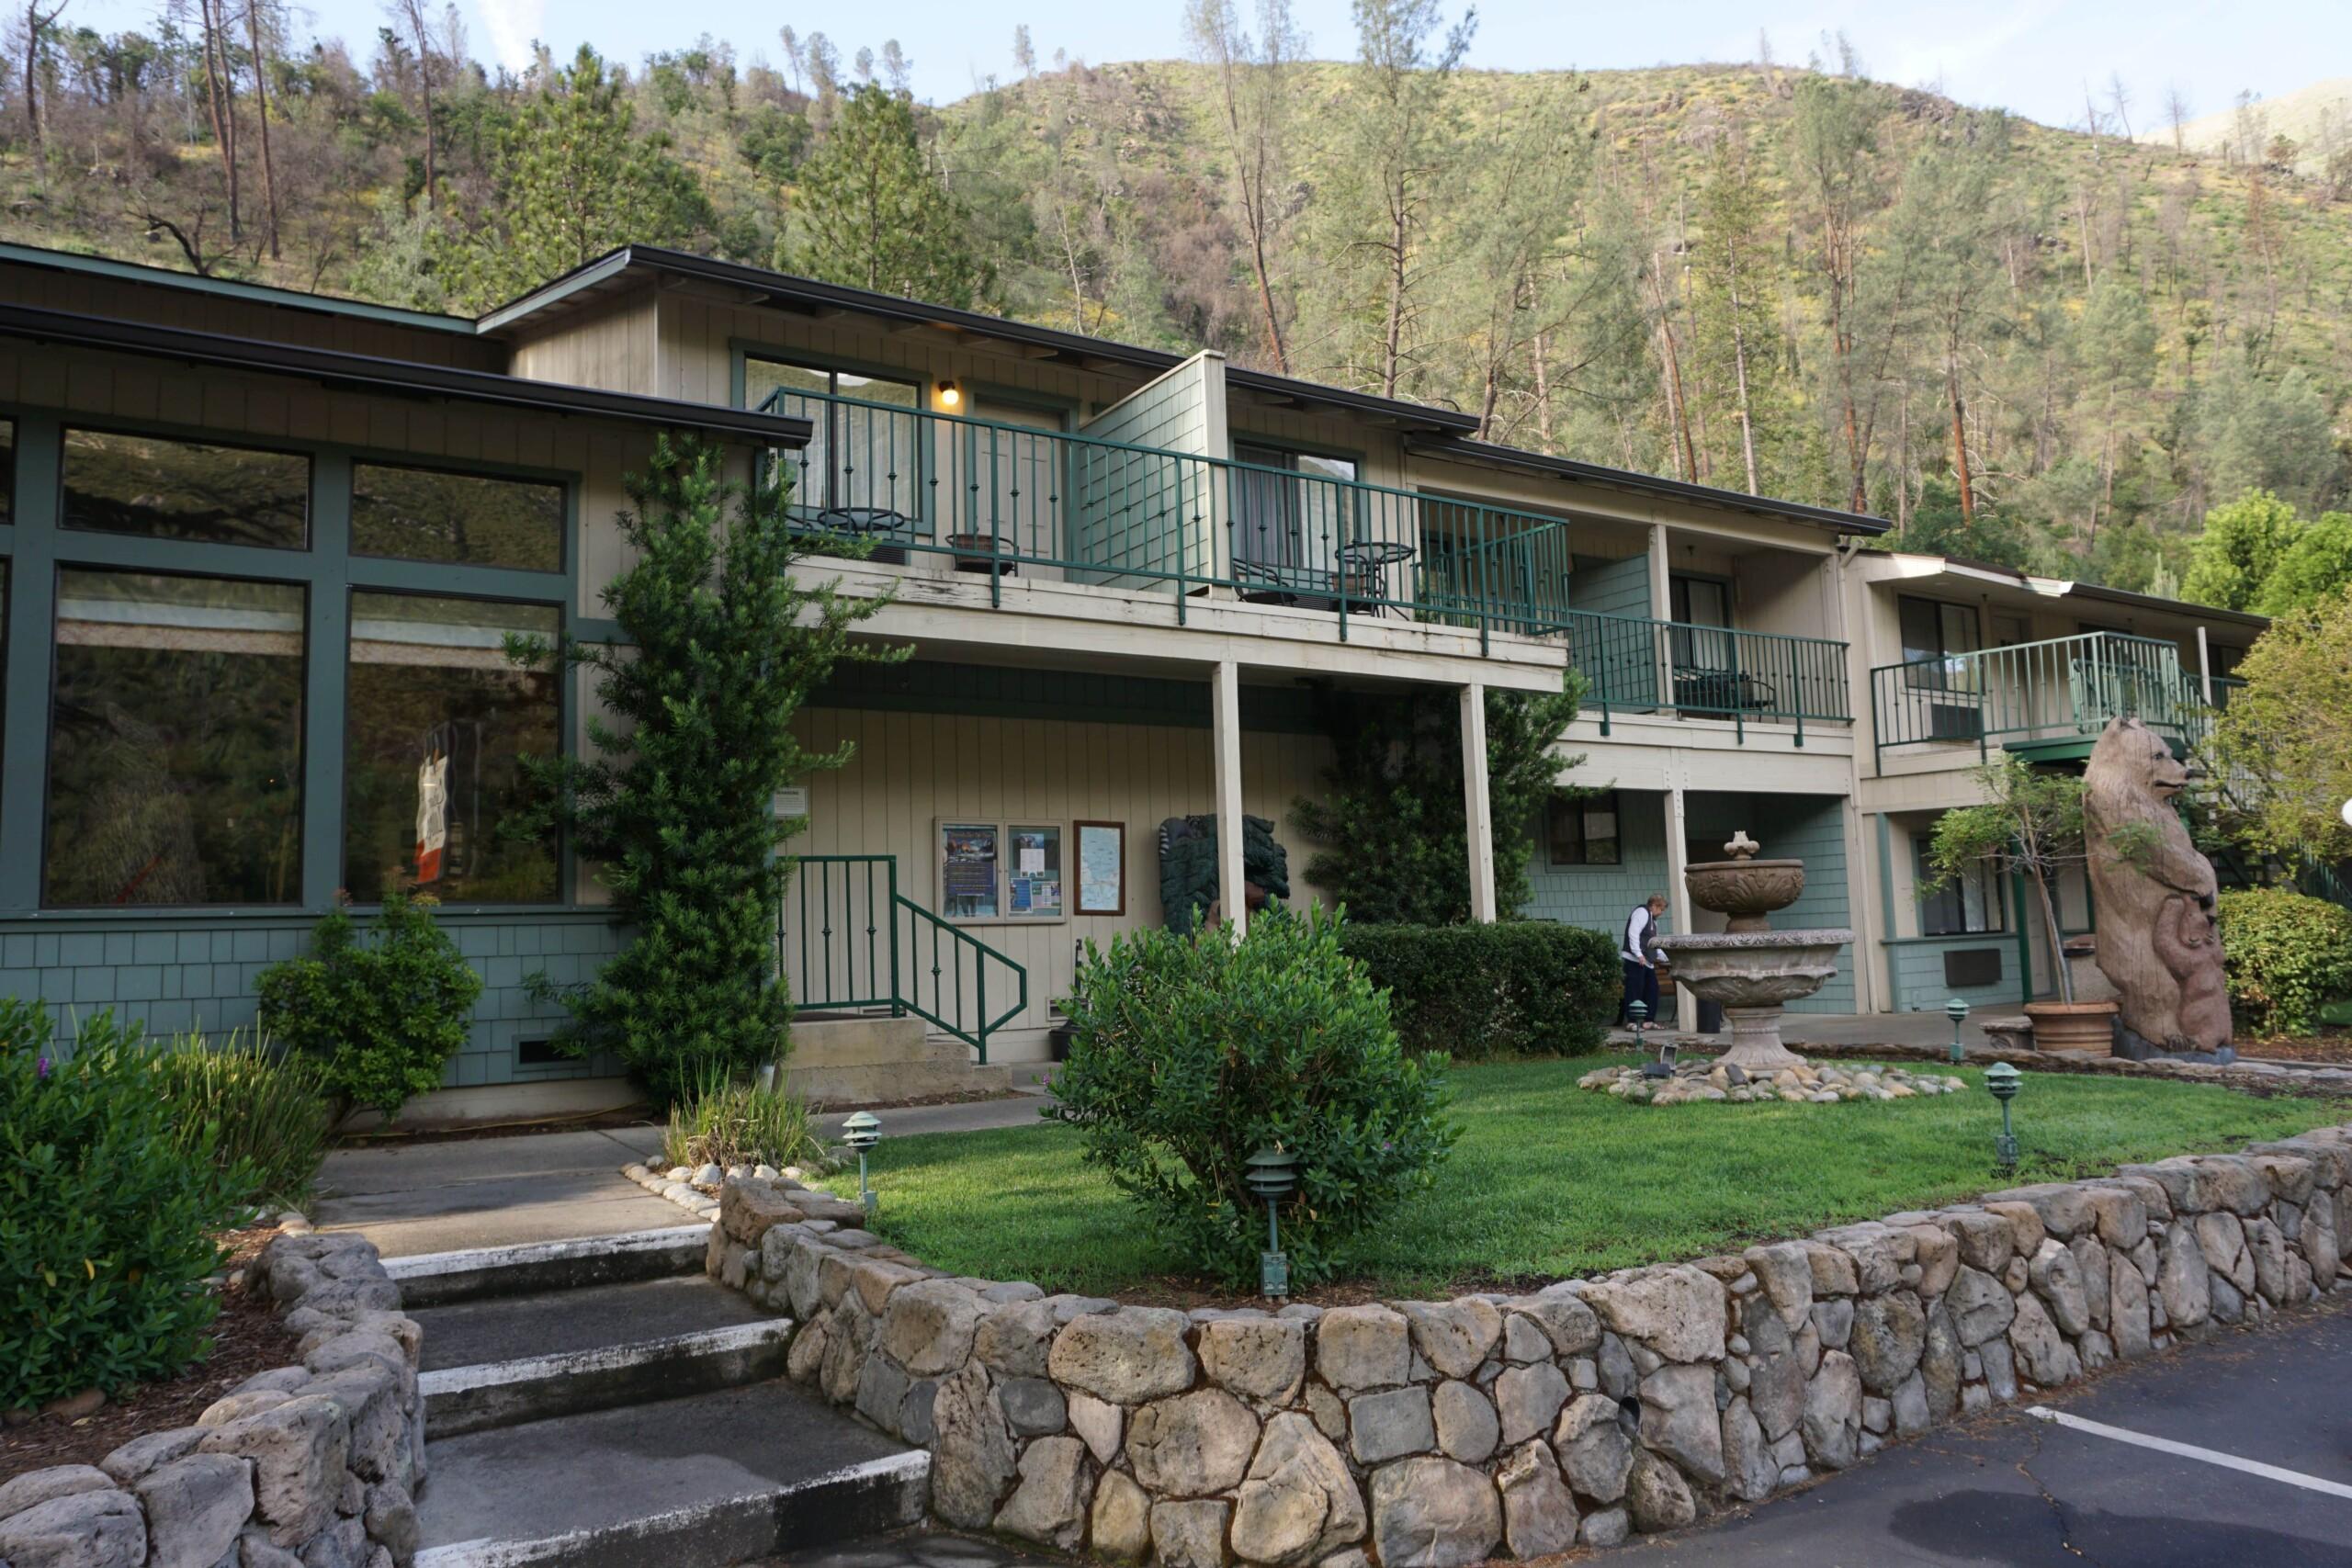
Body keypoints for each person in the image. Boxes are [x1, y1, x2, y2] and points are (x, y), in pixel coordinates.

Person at [1621, 894, 1667, 1026]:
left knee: (1653, 989)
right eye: (1661, 909)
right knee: (1634, 989)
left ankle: (1648, 1020)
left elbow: (1653, 942)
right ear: (1653, 905)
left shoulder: (1653, 920)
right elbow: (1633, 933)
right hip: (1635, 959)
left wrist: (1665, 957)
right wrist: (1638, 954)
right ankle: (1632, 1022)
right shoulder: (1642, 912)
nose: (1662, 912)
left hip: (1647, 961)